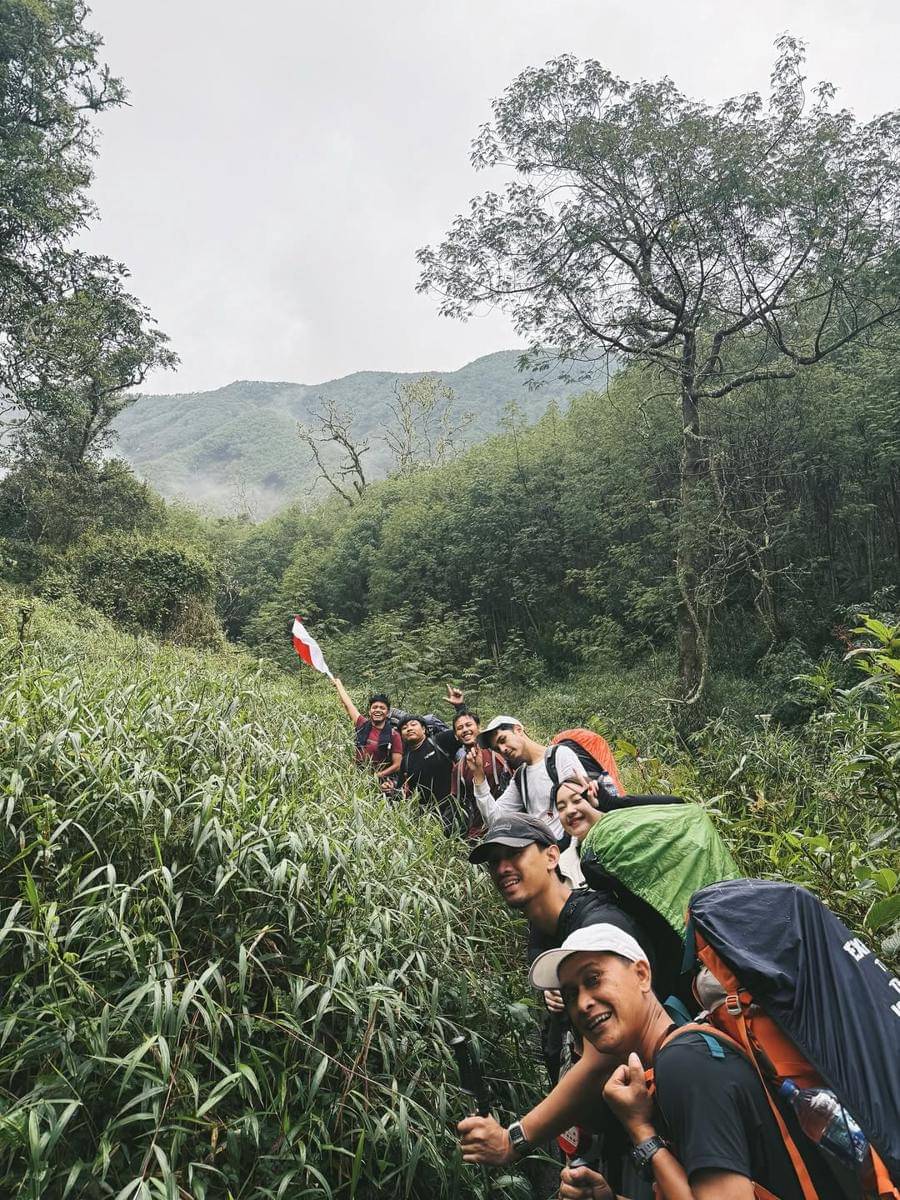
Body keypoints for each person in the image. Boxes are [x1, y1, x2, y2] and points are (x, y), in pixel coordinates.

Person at [530, 925, 842, 1200]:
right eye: (570, 995)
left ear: (642, 974)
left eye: (594, 979)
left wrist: (640, 1131)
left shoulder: (685, 1065)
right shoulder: (672, 1062)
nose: (583, 1003)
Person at [472, 716, 584, 841]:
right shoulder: (520, 777)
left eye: (503, 740)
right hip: (545, 849)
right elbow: (496, 819)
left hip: (570, 847)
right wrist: (478, 775)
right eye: (497, 749)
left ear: (518, 730)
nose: (503, 749)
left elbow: (582, 805)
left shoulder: (559, 756)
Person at [397, 686, 468, 834]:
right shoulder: (406, 760)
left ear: (424, 729)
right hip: (430, 818)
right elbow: (402, 790)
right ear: (401, 735)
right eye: (404, 728)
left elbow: (465, 731)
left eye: (413, 724)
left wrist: (460, 707)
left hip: (456, 807)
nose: (409, 728)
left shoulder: (440, 741)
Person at [449, 710, 510, 839]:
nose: (465, 730)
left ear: (479, 727)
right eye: (460, 728)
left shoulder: (499, 753)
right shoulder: (459, 769)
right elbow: (459, 806)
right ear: (456, 736)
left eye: (469, 725)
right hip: (478, 833)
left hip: (509, 824)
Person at [332, 678, 402, 788]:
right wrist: (339, 685)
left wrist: (376, 776)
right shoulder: (362, 723)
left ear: (387, 712)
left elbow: (397, 765)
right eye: (375, 707)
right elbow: (348, 704)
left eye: (382, 708)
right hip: (355, 777)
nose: (378, 710)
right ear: (370, 711)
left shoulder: (394, 735)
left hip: (379, 781)